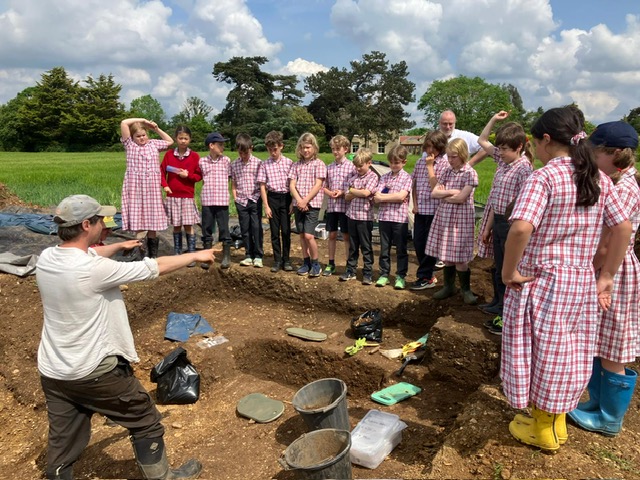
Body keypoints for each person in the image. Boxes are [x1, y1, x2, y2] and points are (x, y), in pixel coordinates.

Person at [36, 194, 214, 480]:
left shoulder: (47, 258)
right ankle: (163, 477)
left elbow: (90, 254)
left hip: (54, 371)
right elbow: (152, 268)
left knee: (63, 437)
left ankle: (58, 474)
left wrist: (118, 246)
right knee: (146, 422)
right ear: (85, 225)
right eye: (99, 221)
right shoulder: (92, 270)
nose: (104, 225)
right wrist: (195, 255)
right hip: (94, 372)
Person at [501, 106, 631, 453]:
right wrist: (606, 276)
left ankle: (543, 428)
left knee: (541, 351)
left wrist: (508, 271)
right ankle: (557, 423)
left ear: (546, 140)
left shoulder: (544, 177)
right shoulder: (599, 178)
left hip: (542, 280)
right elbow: (622, 228)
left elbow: (521, 227)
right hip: (579, 281)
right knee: (568, 353)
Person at [567, 121, 640, 436]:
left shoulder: (624, 188)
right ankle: (597, 404)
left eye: (595, 154)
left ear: (613, 154)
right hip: (609, 267)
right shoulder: (618, 181)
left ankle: (610, 417)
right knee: (602, 342)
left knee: (612, 348)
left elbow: (610, 239)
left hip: (615, 270)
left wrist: (590, 267)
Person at [476, 112, 534, 330]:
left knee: (510, 266)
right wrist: (492, 120)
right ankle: (498, 302)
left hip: (512, 224)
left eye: (505, 149)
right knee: (499, 265)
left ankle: (506, 312)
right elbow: (482, 141)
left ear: (519, 147)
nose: (500, 152)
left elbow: (523, 203)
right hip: (498, 220)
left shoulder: (524, 168)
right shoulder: (502, 161)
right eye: (499, 148)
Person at [425, 138, 479, 304]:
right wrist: (452, 192)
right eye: (448, 156)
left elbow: (462, 198)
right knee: (448, 255)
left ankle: (466, 290)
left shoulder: (470, 173)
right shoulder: (448, 171)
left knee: (460, 257)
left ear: (462, 154)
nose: (450, 160)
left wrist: (446, 194)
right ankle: (449, 287)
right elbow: (434, 193)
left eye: (453, 156)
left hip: (460, 219)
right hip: (445, 217)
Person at [120, 118, 173, 258]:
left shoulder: (153, 144)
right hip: (136, 188)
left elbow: (170, 141)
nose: (142, 138)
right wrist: (143, 120)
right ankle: (141, 254)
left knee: (152, 221)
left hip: (152, 188)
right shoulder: (130, 145)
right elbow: (124, 123)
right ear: (132, 137)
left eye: (144, 135)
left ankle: (153, 255)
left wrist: (156, 129)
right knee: (139, 221)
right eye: (138, 136)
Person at [410, 130, 448, 290]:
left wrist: (430, 167)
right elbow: (415, 184)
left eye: (431, 147)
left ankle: (425, 276)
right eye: (427, 146)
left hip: (435, 210)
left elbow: (437, 188)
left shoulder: (445, 164)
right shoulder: (420, 162)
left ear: (439, 147)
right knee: (418, 243)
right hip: (421, 210)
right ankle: (427, 275)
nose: (428, 150)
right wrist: (415, 204)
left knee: (430, 245)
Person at [160, 126, 202, 267]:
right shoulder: (169, 155)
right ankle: (177, 252)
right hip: (173, 196)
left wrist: (187, 176)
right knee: (176, 225)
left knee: (188, 225)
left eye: (186, 138)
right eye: (180, 138)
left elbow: (198, 176)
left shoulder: (195, 156)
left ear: (190, 139)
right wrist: (165, 185)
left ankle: (191, 254)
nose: (183, 141)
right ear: (176, 139)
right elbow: (161, 171)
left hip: (187, 196)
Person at [373, 144, 413, 290]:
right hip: (384, 218)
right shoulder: (384, 177)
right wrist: (390, 197)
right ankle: (384, 274)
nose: (394, 165)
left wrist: (384, 197)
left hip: (399, 219)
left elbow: (401, 196)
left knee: (401, 249)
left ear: (404, 162)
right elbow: (376, 197)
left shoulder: (407, 178)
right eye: (391, 162)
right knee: (384, 248)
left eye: (397, 162)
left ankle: (401, 275)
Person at [289, 132, 327, 277]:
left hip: (312, 204)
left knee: (309, 235)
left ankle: (316, 263)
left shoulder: (319, 164)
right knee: (301, 235)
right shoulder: (296, 165)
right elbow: (292, 185)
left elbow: (318, 185)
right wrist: (299, 200)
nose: (306, 150)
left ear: (314, 148)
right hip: (299, 204)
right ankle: (306, 262)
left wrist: (306, 200)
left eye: (308, 147)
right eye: (303, 147)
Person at [340, 148, 379, 284]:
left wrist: (352, 190)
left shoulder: (373, 177)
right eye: (356, 166)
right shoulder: (353, 177)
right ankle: (351, 270)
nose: (358, 168)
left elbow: (366, 193)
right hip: (352, 216)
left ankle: (367, 273)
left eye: (360, 166)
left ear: (369, 163)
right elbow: (346, 197)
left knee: (366, 246)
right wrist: (357, 192)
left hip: (364, 218)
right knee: (353, 245)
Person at [258, 131, 294, 272]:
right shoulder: (265, 164)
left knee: (285, 231)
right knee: (274, 232)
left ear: (281, 147)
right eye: (269, 149)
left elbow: (293, 184)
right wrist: (266, 206)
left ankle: (286, 259)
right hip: (272, 198)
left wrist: (292, 203)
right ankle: (277, 260)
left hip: (285, 198)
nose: (272, 152)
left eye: (275, 149)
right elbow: (262, 186)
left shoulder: (289, 163)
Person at [322, 135, 356, 276]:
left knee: (346, 236)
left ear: (345, 149)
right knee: (332, 234)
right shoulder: (329, 167)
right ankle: (331, 263)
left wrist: (342, 192)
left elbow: (354, 186)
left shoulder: (352, 167)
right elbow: (323, 186)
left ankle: (349, 264)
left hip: (346, 207)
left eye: (338, 149)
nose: (335, 152)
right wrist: (330, 193)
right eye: (333, 149)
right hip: (332, 207)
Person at [199, 132, 232, 270]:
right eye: (220, 144)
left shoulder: (226, 161)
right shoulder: (202, 162)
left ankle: (226, 255)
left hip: (222, 200)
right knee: (207, 229)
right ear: (211, 145)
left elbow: (230, 178)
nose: (222, 147)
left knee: (224, 228)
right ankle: (207, 256)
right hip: (207, 200)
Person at [231, 133, 264, 268]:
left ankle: (258, 255)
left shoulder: (258, 163)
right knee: (245, 229)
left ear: (251, 148)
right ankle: (248, 254)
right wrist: (235, 197)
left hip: (255, 199)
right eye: (240, 153)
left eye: (245, 152)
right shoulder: (234, 164)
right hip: (241, 201)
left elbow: (262, 184)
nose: (243, 155)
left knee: (256, 227)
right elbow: (234, 183)